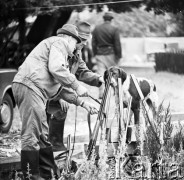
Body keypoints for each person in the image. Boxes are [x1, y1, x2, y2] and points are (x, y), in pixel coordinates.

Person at [12, 24, 98, 180]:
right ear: (69, 38)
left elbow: (60, 88)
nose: (75, 49)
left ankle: (48, 175)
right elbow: (57, 68)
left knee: (42, 136)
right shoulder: (60, 43)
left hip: (34, 89)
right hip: (31, 87)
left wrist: (83, 103)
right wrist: (77, 85)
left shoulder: (57, 50)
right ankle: (31, 177)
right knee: (31, 135)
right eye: (76, 42)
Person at [47, 21, 104, 154]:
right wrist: (61, 96)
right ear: (72, 37)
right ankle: (50, 147)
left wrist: (99, 78)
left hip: (60, 89)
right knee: (57, 109)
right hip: (48, 89)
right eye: (82, 40)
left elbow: (82, 72)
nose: (84, 43)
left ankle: (55, 145)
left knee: (61, 108)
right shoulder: (60, 49)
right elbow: (56, 74)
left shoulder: (76, 53)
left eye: (86, 40)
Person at [92, 11, 122, 99]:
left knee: (100, 75)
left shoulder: (96, 29)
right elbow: (117, 44)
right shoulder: (114, 29)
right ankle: (116, 92)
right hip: (111, 54)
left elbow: (93, 43)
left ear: (104, 19)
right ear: (111, 19)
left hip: (100, 54)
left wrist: (95, 53)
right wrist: (119, 55)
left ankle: (101, 93)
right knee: (114, 74)